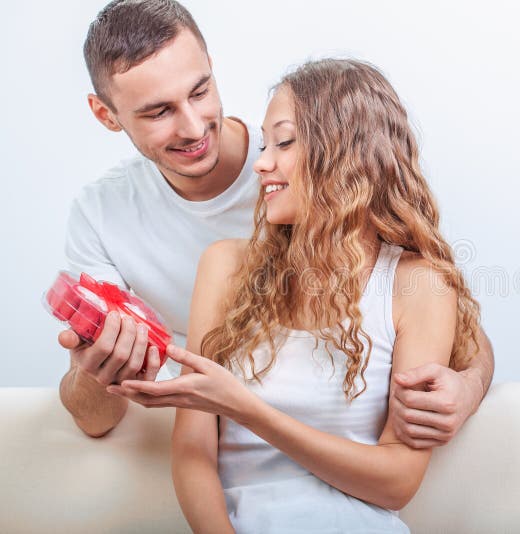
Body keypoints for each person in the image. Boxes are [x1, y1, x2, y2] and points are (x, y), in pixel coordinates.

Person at [59, 0, 494, 450]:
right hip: (208, 441)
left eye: (200, 91)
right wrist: (95, 374)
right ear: (106, 115)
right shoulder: (100, 215)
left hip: (325, 432)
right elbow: (95, 421)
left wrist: (470, 386)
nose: (193, 127)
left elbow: (448, 317)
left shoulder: (301, 173)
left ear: (211, 66)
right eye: (158, 112)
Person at [108, 58, 483, 533]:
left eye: (283, 142)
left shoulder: (418, 284)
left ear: (347, 151)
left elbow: (396, 483)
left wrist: (244, 408)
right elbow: (192, 452)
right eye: (265, 143)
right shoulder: (225, 266)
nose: (262, 162)